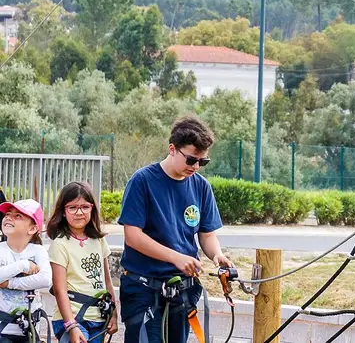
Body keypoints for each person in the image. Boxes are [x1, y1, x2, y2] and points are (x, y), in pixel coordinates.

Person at [117, 116, 232, 343]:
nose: (196, 167)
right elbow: (133, 237)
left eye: (203, 162)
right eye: (191, 160)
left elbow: (207, 234)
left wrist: (217, 255)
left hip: (181, 291)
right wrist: (175, 258)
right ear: (172, 149)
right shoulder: (142, 181)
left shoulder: (201, 186)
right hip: (144, 289)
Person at [47, 181, 118, 343]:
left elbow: (107, 280)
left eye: (85, 207)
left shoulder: (99, 241)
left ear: (92, 209)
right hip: (72, 317)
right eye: (72, 207)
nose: (79, 212)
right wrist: (71, 325)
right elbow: (60, 289)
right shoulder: (60, 244)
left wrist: (113, 312)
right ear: (63, 211)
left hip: (98, 318)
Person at [0, 198, 52, 342]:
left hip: (29, 331)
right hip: (2, 330)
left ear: (33, 228)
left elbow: (45, 279)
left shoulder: (38, 251)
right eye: (7, 214)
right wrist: (23, 265)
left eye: (18, 216)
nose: (9, 218)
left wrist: (10, 283)